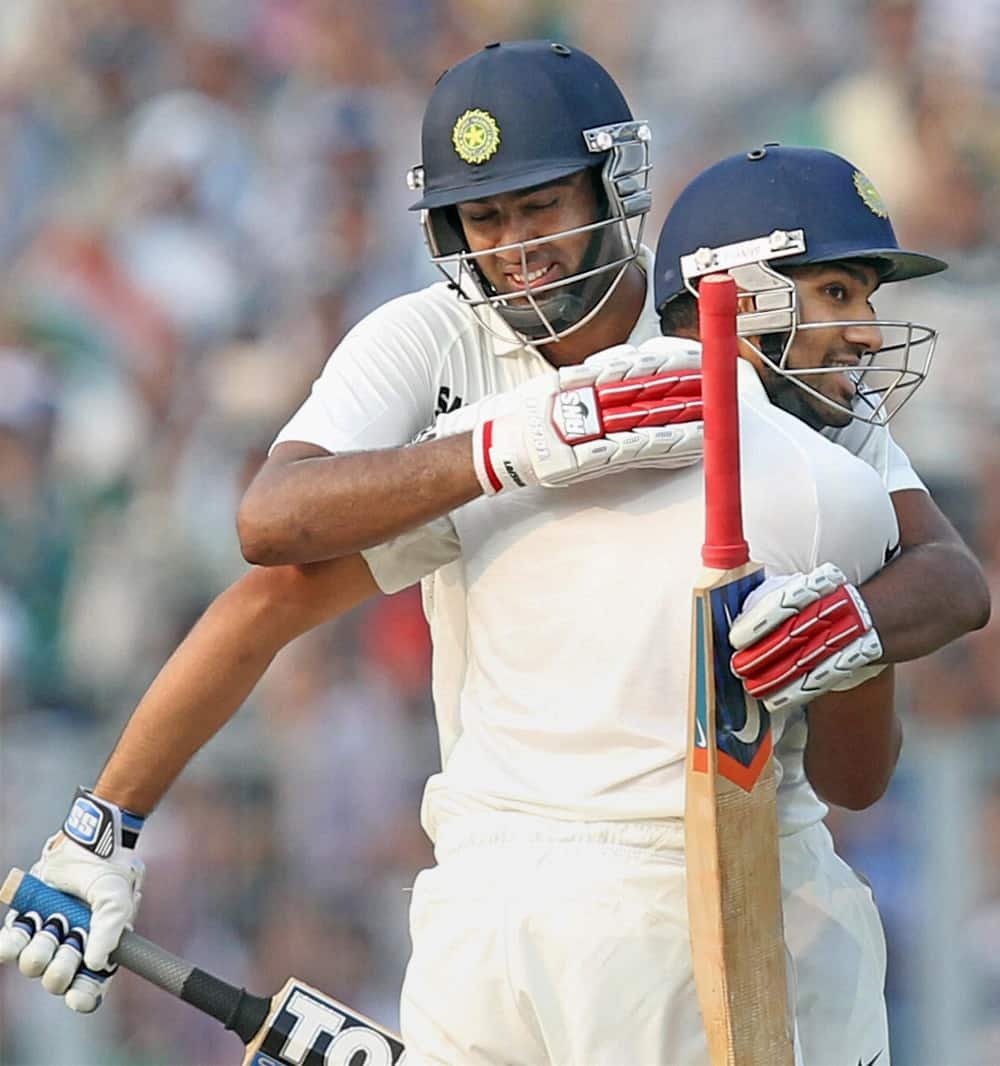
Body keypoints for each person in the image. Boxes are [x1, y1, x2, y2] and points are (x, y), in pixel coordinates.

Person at [0, 40, 989, 1064]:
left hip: (646, 895)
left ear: (616, 186)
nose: (515, 246)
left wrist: (851, 628)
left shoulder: (733, 343)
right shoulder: (438, 344)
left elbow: (942, 575)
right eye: (486, 217)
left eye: (539, 207)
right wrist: (98, 826)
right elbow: (273, 538)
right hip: (499, 883)